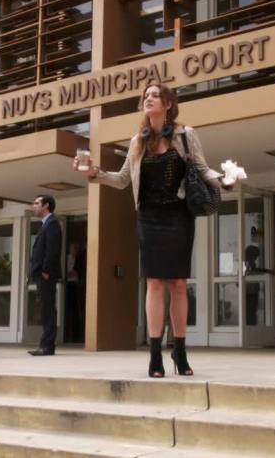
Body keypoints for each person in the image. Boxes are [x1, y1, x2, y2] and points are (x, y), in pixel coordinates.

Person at [74, 83, 227, 378]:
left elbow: (202, 168)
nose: (148, 99)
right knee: (155, 282)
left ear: (168, 103)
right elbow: (122, 179)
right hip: (149, 216)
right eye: (145, 96)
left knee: (178, 283)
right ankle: (155, 354)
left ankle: (180, 350)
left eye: (155, 95)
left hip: (179, 216)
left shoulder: (185, 135)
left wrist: (225, 179)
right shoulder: (137, 141)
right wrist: (95, 173)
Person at [28, 194, 63, 356]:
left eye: (37, 203)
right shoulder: (45, 224)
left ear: (46, 205)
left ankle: (47, 346)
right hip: (41, 274)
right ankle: (45, 344)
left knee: (48, 309)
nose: (34, 206)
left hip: (46, 275)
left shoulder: (52, 223)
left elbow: (52, 250)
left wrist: (46, 271)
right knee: (45, 309)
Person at [65, 242, 86, 343]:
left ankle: (76, 335)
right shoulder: (67, 259)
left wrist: (77, 274)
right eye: (73, 248)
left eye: (77, 248)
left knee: (76, 310)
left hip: (76, 285)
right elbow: (66, 272)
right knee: (68, 310)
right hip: (68, 285)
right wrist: (70, 273)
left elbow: (80, 272)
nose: (75, 250)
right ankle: (67, 334)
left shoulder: (79, 259)